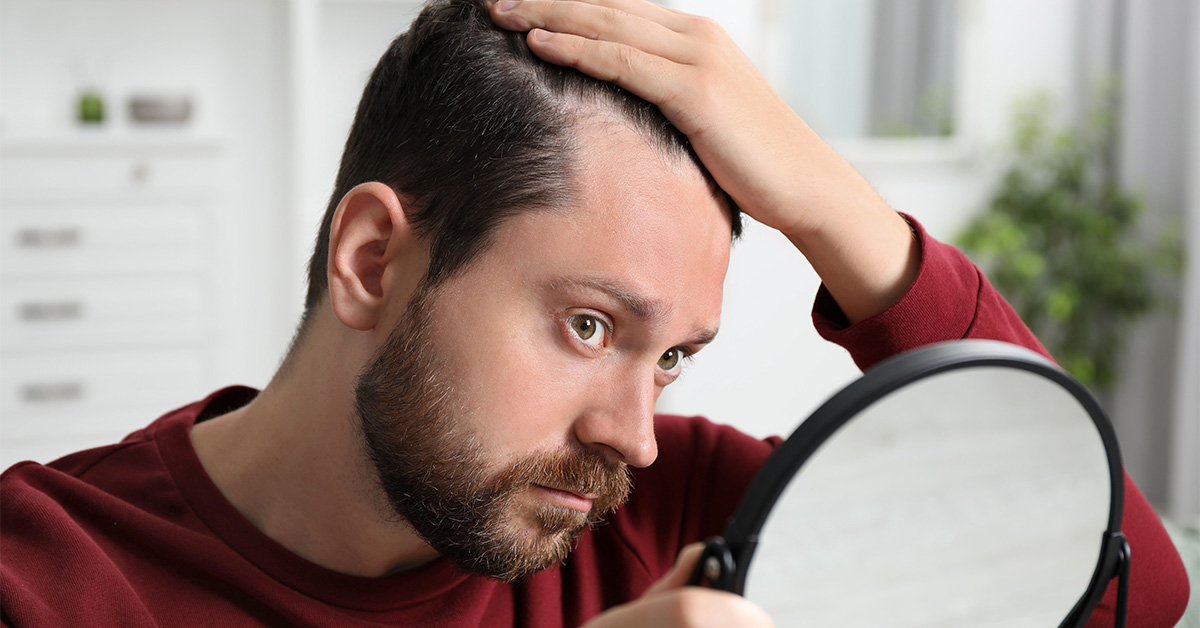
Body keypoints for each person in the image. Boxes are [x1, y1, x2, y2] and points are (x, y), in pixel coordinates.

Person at [0, 0, 1189, 626]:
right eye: (588, 325)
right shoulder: (47, 575)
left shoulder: (669, 527)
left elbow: (1129, 588)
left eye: (671, 356)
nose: (635, 431)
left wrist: (843, 212)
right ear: (372, 259)